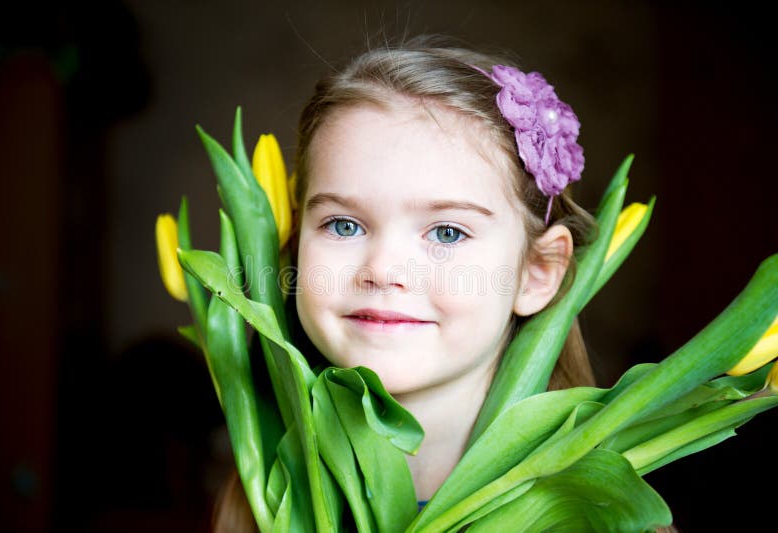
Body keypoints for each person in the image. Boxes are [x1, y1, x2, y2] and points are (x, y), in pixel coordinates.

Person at [212, 34, 668, 532]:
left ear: (537, 273)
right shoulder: (264, 499)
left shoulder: (595, 515)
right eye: (345, 225)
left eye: (447, 232)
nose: (383, 270)